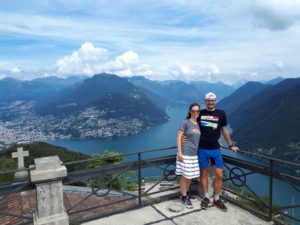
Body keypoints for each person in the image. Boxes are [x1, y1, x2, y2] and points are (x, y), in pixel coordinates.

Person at [198, 92, 239, 211]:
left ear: (215, 101)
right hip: (202, 148)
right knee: (204, 174)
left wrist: (231, 145)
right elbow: (193, 127)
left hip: (215, 149)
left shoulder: (221, 113)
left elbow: (224, 130)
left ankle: (216, 199)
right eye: (208, 100)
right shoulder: (200, 113)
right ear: (205, 101)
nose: (210, 102)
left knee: (219, 175)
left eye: (213, 100)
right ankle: (206, 197)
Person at [176, 103, 201, 209]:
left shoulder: (200, 124)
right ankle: (185, 197)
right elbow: (178, 138)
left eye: (197, 111)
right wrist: (180, 153)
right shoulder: (185, 123)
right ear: (190, 111)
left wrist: (218, 142)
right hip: (185, 153)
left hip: (195, 154)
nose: (195, 113)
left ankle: (184, 194)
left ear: (199, 112)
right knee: (184, 176)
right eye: (193, 111)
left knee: (190, 177)